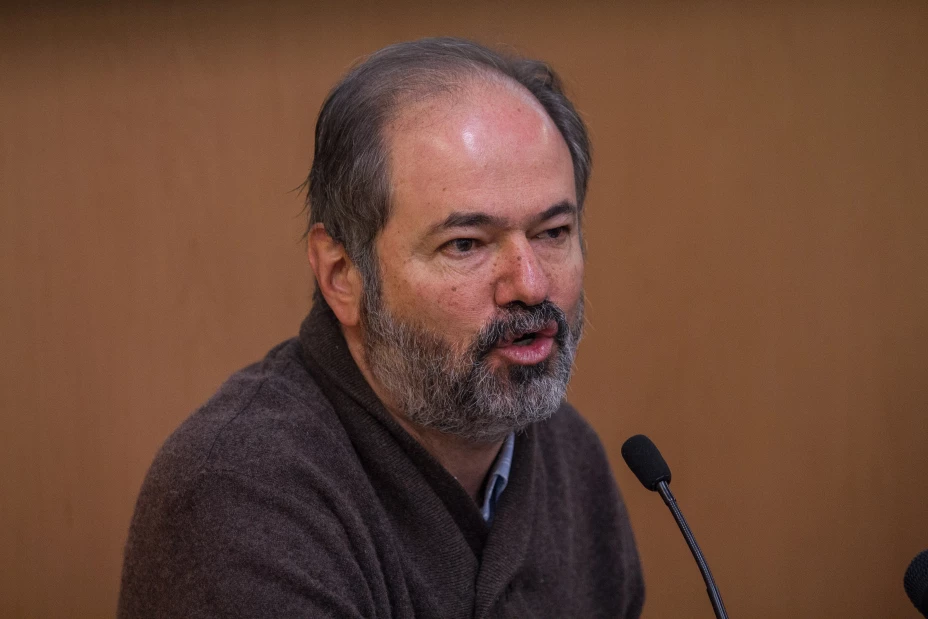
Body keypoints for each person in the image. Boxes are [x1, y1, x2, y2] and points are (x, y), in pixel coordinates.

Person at [118, 37, 644, 618]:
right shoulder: (236, 493)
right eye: (465, 244)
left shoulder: (571, 455)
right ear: (342, 275)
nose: (531, 284)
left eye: (553, 233)